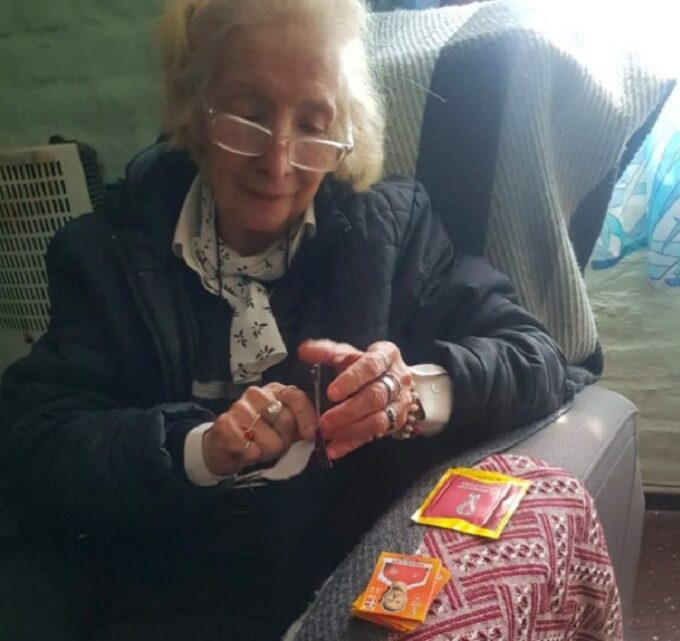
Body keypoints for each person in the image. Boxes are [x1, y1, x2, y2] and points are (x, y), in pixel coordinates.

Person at [0, 0, 567, 639]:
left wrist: (409, 392)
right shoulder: (107, 253)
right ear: (195, 106)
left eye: (313, 123)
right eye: (248, 114)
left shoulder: (392, 232)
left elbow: (534, 354)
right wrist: (199, 450)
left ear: (345, 132)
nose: (278, 164)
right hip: (165, 579)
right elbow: (36, 441)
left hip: (340, 569)